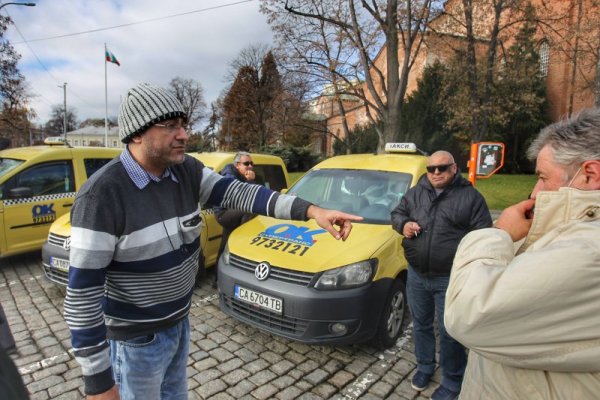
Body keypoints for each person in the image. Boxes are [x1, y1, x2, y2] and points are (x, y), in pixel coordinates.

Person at [63, 82, 362, 400]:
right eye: (171, 126)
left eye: (184, 125)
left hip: (178, 327)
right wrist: (98, 384)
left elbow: (241, 193)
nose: (184, 135)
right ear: (137, 133)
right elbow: (81, 299)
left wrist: (312, 210)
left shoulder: (186, 171)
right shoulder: (103, 195)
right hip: (134, 344)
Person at [444, 108, 600, 399]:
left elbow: (468, 314)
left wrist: (499, 234)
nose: (534, 192)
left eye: (543, 177)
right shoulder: (575, 233)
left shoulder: (589, 251)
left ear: (589, 175)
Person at [391, 151, 492, 400]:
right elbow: (396, 214)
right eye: (431, 168)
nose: (436, 172)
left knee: (450, 331)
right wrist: (403, 225)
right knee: (421, 324)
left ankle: (453, 379)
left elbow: (484, 236)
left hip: (450, 278)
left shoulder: (471, 197)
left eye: (442, 167)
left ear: (454, 168)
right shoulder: (416, 192)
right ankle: (425, 367)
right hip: (417, 274)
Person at [215, 151, 257, 264]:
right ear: (237, 165)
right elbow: (247, 197)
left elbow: (260, 192)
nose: (250, 166)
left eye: (251, 163)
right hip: (223, 214)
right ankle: (244, 238)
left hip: (232, 212)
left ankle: (217, 279)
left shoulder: (242, 175)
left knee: (225, 245)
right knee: (251, 209)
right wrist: (251, 181)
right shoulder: (230, 176)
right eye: (246, 163)